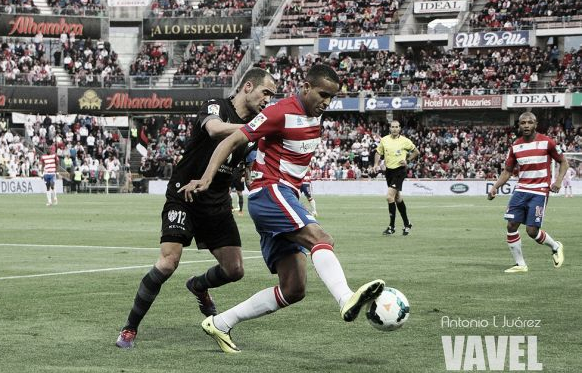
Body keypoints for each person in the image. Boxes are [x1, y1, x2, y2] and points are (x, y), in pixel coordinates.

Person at [179, 64, 385, 354]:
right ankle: (345, 299)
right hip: (270, 193)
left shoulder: (313, 119)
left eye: (332, 98)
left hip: (284, 195)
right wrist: (207, 177)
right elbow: (233, 139)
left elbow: (286, 157)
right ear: (306, 88)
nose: (326, 102)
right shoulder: (280, 112)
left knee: (293, 288)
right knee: (321, 239)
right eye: (322, 94)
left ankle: (221, 323)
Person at [115, 68, 276, 349]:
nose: (268, 100)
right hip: (184, 195)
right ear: (248, 86)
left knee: (235, 270)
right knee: (168, 262)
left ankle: (199, 286)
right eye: (266, 93)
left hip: (216, 203)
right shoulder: (216, 106)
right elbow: (214, 129)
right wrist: (254, 130)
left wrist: (252, 165)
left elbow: (250, 158)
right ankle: (130, 328)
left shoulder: (254, 127)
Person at [488, 112, 567, 273]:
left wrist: (558, 181)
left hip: (539, 191)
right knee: (511, 225)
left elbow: (563, 162)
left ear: (535, 124)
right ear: (519, 125)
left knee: (532, 231)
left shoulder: (547, 142)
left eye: (529, 122)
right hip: (521, 190)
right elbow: (507, 171)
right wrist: (495, 186)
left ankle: (556, 246)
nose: (526, 125)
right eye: (523, 123)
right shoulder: (515, 146)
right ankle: (520, 264)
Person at [374, 120, 419, 236]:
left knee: (389, 196)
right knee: (397, 198)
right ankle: (407, 223)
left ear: (400, 129)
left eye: (396, 127)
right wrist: (375, 164)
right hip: (389, 171)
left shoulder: (405, 141)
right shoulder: (384, 140)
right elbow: (378, 152)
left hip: (400, 170)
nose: (394, 129)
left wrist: (407, 160)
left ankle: (391, 227)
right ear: (390, 128)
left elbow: (416, 152)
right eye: (392, 127)